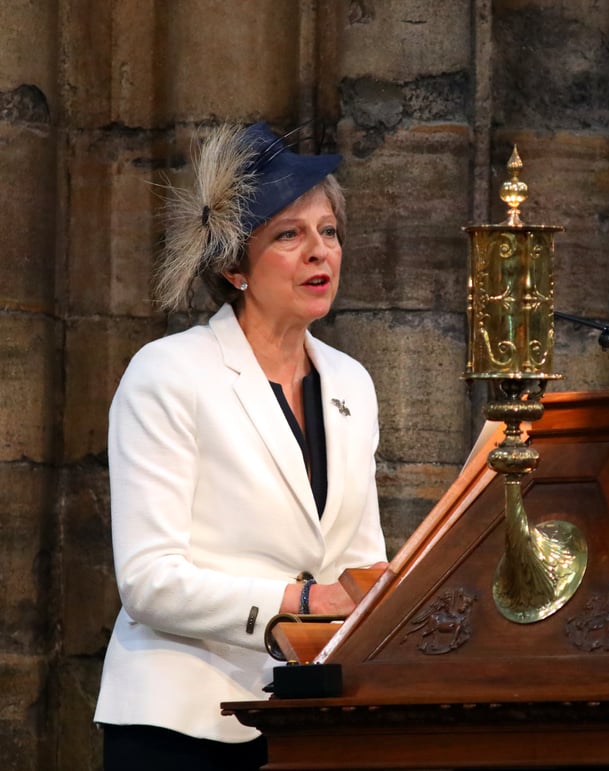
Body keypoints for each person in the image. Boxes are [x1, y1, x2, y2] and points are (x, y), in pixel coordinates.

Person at [93, 122, 388, 771]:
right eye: (290, 234)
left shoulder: (351, 383)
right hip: (183, 723)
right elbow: (149, 581)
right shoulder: (169, 371)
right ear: (234, 266)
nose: (320, 252)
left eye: (329, 231)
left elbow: (359, 561)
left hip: (311, 718)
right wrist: (302, 601)